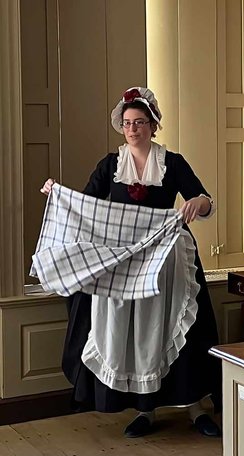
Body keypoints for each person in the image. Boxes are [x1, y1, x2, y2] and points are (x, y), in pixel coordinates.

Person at [40, 86, 222, 437]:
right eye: (127, 123)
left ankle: (196, 408)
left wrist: (199, 204)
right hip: (125, 262)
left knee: (175, 328)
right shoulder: (111, 165)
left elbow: (204, 198)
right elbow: (85, 205)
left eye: (139, 122)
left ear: (153, 126)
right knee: (137, 334)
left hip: (167, 257)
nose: (133, 129)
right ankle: (146, 409)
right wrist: (57, 194)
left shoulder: (173, 162)